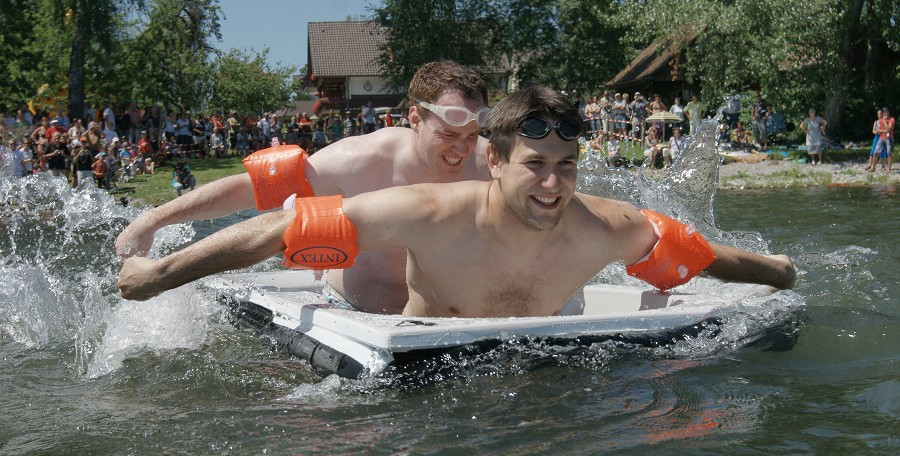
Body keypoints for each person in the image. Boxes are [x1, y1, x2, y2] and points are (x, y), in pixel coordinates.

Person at [118, 86, 796, 314]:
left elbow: (699, 255)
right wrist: (158, 274)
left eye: (568, 166)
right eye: (535, 166)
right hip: (421, 382)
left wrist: (780, 273)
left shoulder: (604, 226)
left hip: (543, 378)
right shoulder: (423, 209)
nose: (553, 184)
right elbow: (276, 225)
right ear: (494, 162)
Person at [116, 60, 493, 314]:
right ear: (415, 119)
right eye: (447, 134)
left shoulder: (496, 164)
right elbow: (251, 190)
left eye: (472, 135)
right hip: (356, 313)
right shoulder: (361, 159)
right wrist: (153, 219)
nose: (461, 148)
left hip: (446, 323)